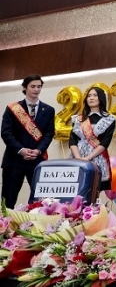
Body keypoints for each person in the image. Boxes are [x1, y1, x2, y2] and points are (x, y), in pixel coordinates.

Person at [1, 74, 55, 208]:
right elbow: (6, 133)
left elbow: (49, 133)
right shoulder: (13, 108)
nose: (36, 89)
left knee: (40, 201)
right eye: (33, 86)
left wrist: (39, 150)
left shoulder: (48, 110)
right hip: (14, 160)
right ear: (25, 88)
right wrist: (21, 150)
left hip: (37, 160)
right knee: (8, 200)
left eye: (39, 86)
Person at [69, 87, 116, 192]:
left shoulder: (109, 119)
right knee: (75, 189)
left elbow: (105, 142)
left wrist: (88, 158)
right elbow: (72, 140)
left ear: (101, 98)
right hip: (77, 156)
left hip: (97, 157)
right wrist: (78, 158)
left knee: (94, 190)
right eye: (89, 96)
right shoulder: (78, 119)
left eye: (95, 95)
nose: (91, 98)